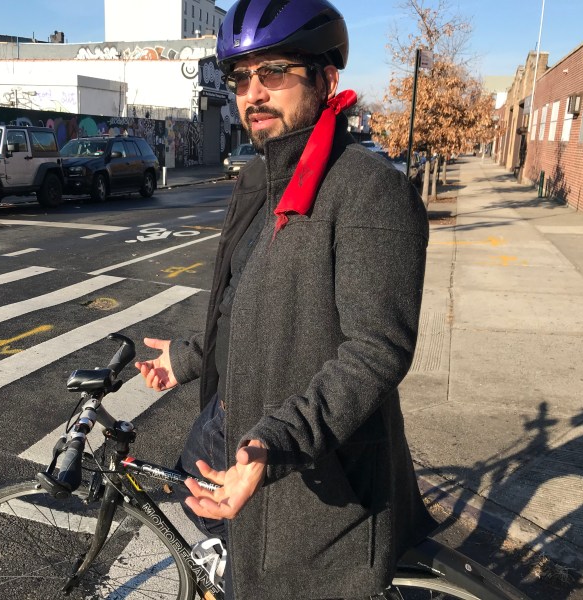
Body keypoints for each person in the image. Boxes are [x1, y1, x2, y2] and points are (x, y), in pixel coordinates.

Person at [135, 1, 437, 598]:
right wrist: (189, 356)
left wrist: (278, 440)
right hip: (238, 427)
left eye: (273, 73)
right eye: (241, 78)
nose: (253, 93)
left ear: (327, 80)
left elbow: (377, 348)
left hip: (314, 472)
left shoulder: (369, 192)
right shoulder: (259, 181)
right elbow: (246, 305)